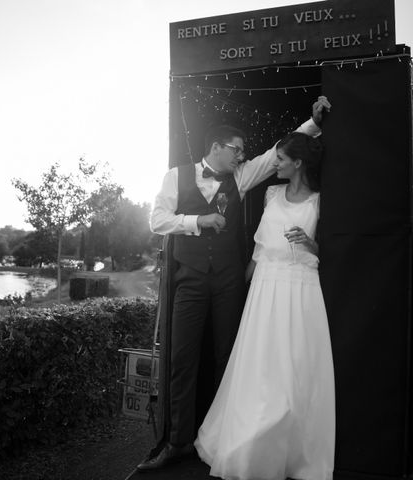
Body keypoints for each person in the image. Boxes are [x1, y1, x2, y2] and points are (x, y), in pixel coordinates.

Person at [138, 96, 332, 471]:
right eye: (237, 150)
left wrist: (311, 123)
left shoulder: (240, 178)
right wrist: (196, 222)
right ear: (216, 147)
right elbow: (157, 221)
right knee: (182, 359)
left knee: (229, 359)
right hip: (190, 282)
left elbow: (277, 152)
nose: (243, 157)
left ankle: (223, 439)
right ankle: (177, 442)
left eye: (243, 152)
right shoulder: (175, 177)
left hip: (229, 282)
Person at [194, 129, 336, 480]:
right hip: (264, 288)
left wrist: (310, 244)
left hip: (300, 289)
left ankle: (290, 452)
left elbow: (330, 254)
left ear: (298, 163)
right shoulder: (271, 193)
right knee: (258, 368)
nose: (277, 165)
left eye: (283, 160)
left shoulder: (320, 201)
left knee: (294, 370)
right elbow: (258, 249)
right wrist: (239, 289)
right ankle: (247, 443)